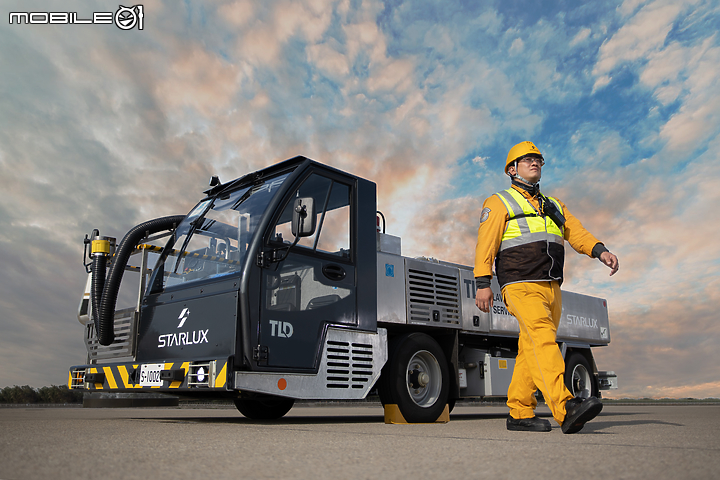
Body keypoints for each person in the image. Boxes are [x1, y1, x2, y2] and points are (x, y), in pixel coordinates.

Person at [473, 141, 619, 434]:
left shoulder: (553, 204)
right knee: (543, 340)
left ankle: (519, 412)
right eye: (528, 159)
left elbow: (574, 232)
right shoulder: (498, 202)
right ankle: (565, 407)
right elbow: (485, 245)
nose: (535, 163)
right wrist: (482, 283)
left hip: (551, 286)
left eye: (538, 159)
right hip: (520, 282)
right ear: (512, 169)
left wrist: (599, 249)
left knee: (531, 348)